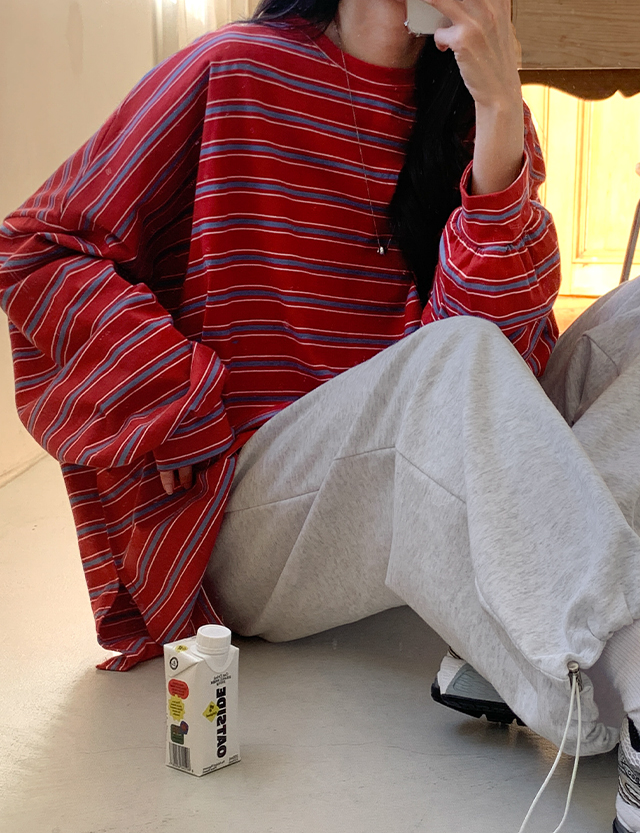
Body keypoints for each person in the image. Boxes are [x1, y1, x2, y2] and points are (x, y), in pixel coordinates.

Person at [1, 0, 638, 828]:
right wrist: (169, 393)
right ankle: (627, 673)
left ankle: (499, 648)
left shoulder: (469, 108)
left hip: (399, 486)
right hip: (250, 513)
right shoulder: (233, 70)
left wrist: (497, 114)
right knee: (451, 360)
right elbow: (37, 249)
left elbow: (501, 368)